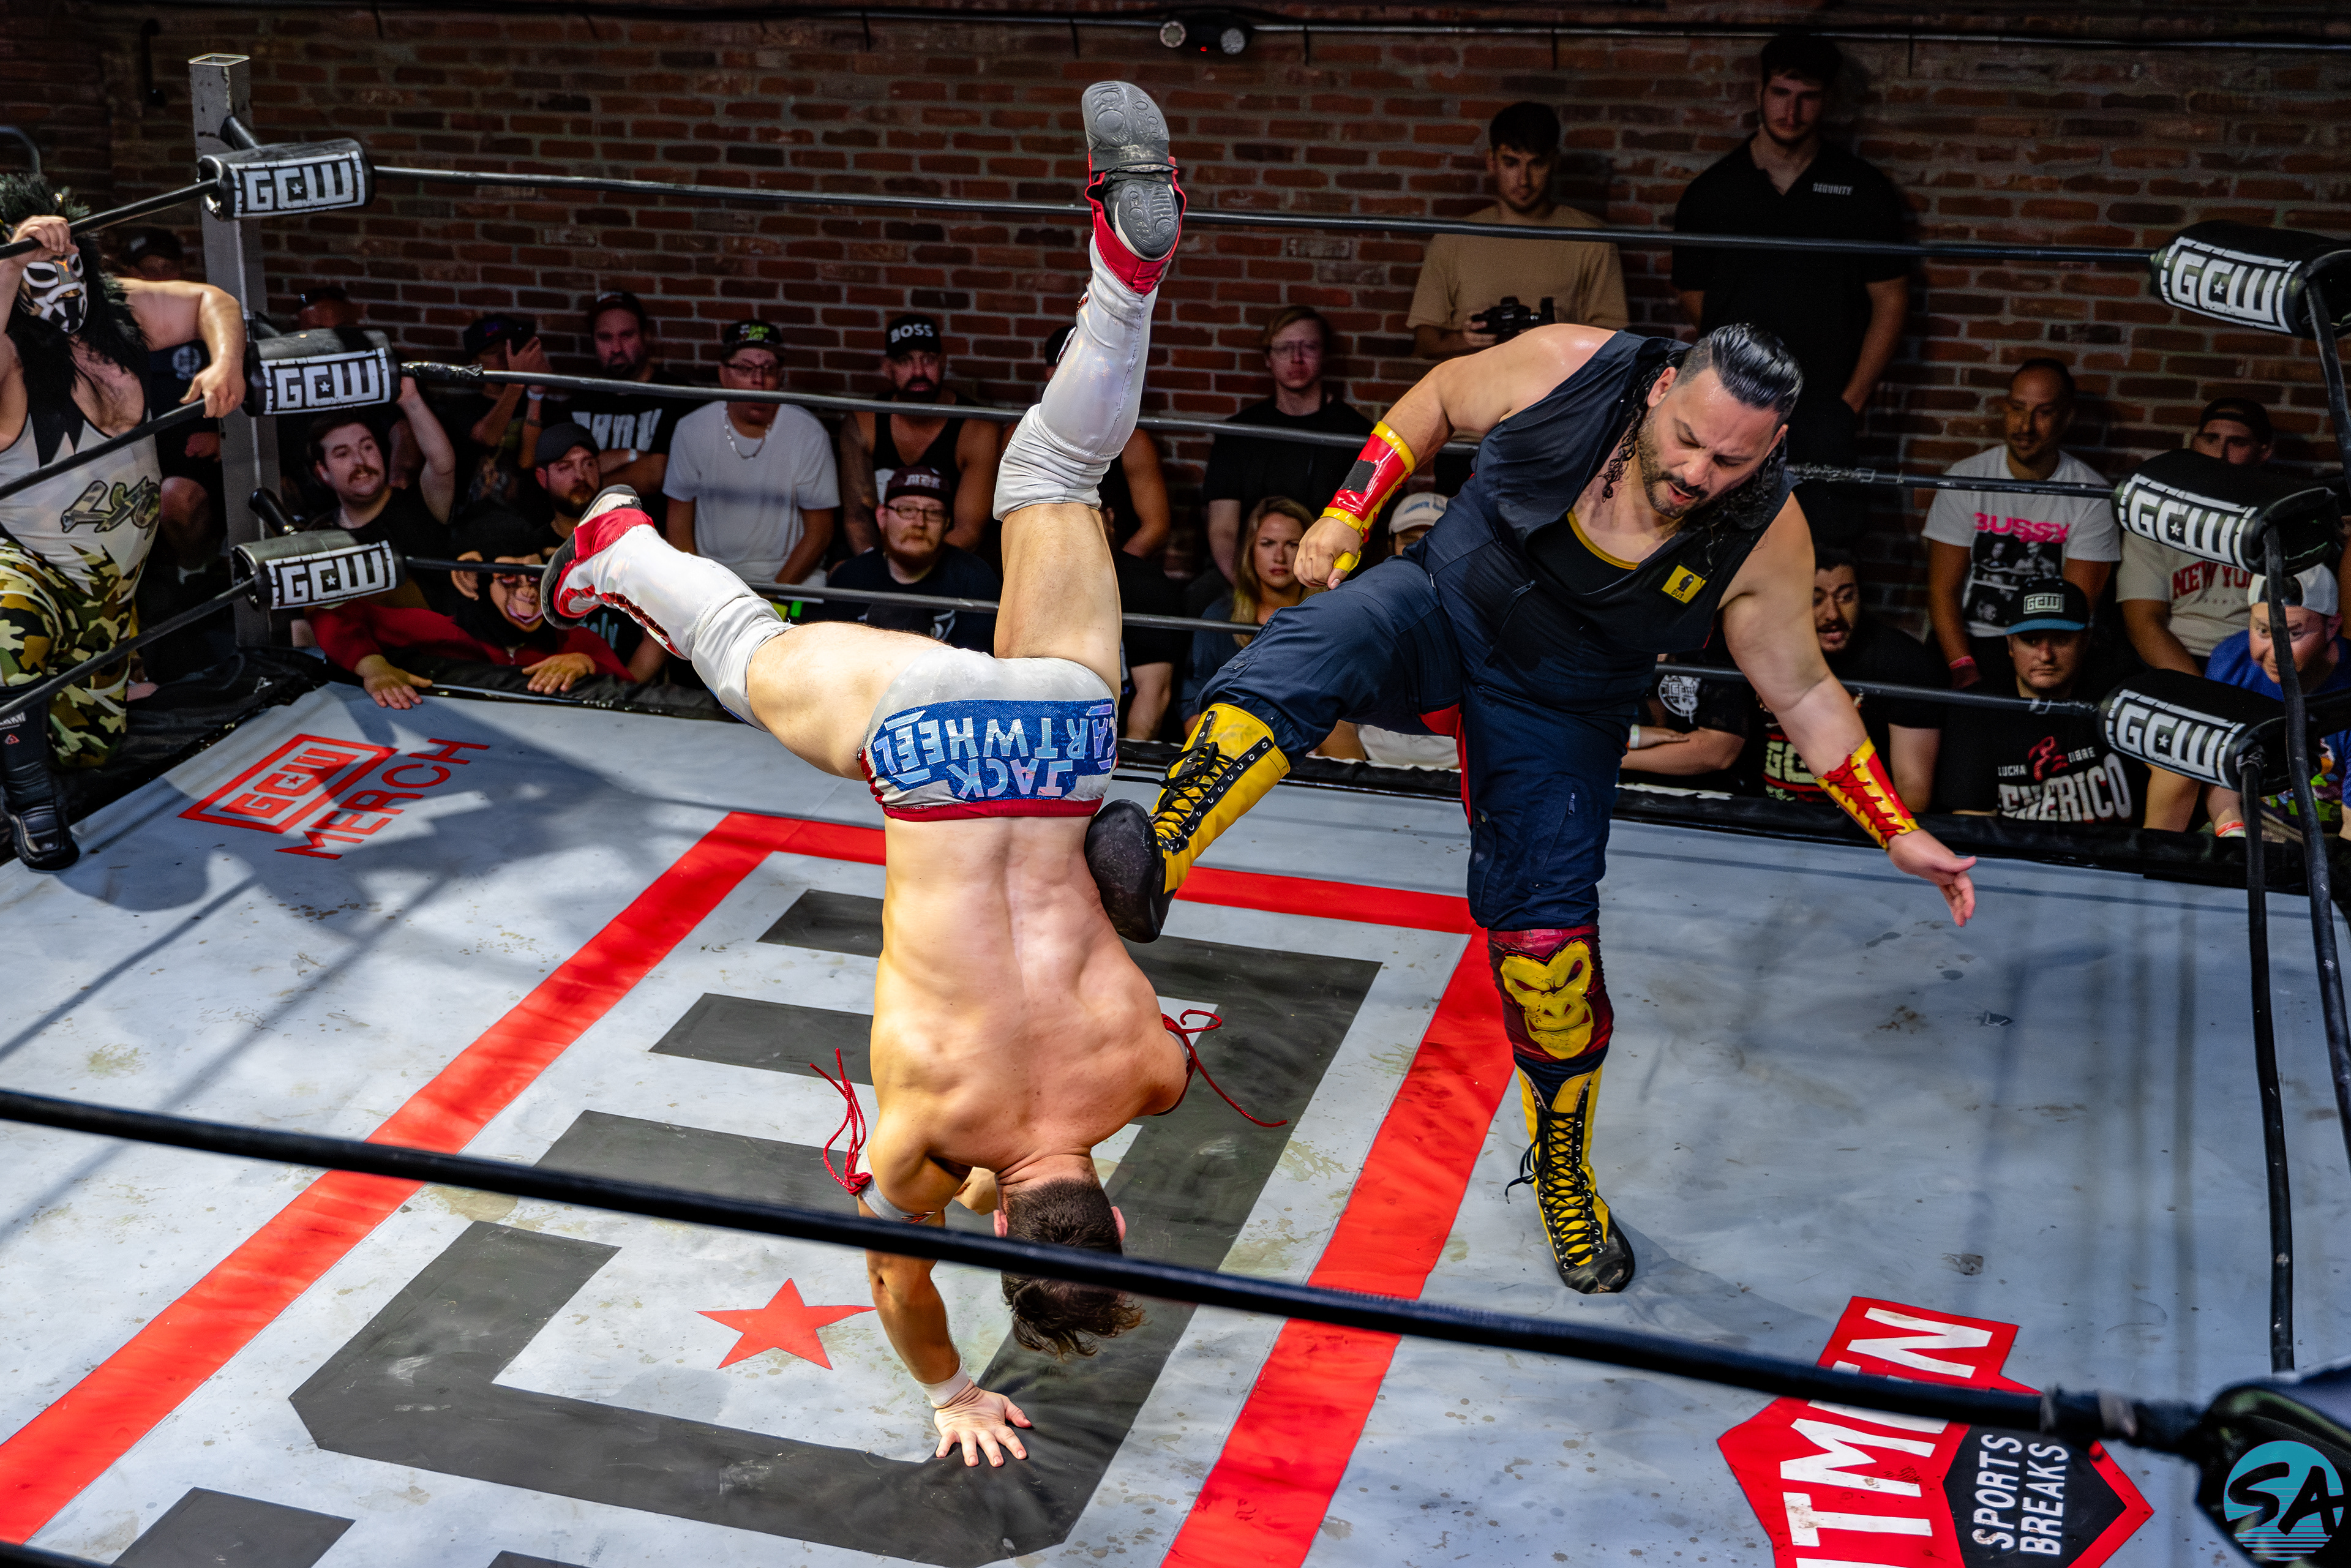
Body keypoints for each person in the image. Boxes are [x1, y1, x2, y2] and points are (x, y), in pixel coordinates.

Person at [544, 82, 1220, 1467]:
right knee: (741, 647)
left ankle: (1123, 277)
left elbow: (1117, 912)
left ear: (1116, 1214)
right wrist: (949, 1388)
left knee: (1056, 464)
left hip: (1061, 739)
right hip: (934, 752)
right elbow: (897, 1275)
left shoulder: (1151, 1076)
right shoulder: (925, 1141)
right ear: (999, 1224)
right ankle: (616, 543)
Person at [1087, 320, 1979, 1297]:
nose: (1697, 472)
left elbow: (1802, 690)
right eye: (1687, 438)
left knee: (1551, 958)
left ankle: (1563, 1173)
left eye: (1731, 460)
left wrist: (1895, 827)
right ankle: (1159, 852)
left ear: (1774, 446)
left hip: (1563, 707)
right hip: (1443, 605)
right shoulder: (1569, 368)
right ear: (1662, 389)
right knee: (1315, 643)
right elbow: (1438, 397)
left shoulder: (1765, 533)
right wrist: (1348, 510)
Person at [0, 174, 247, 869]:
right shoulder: (10, 358)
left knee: (89, 747)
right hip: (32, 566)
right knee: (5, 628)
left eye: (66, 260)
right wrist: (13, 257)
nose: (59, 280)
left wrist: (225, 363)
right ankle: (31, 804)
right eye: (37, 269)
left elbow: (212, 300)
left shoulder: (116, 313)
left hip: (110, 591)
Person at [1671, 34, 1911, 548]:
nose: (1792, 110)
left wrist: (1848, 404)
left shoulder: (1862, 190)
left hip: (1823, 407)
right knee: (1723, 548)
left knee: (1824, 553)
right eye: (1781, 92)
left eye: (1808, 97)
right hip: (1733, 405)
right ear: (1758, 91)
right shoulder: (1714, 191)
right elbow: (1693, 293)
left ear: (1829, 100)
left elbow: (1891, 301)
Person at [313, 505, 631, 710]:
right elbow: (329, 609)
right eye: (509, 578)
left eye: (535, 578)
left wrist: (588, 665)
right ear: (470, 579)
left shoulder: (575, 642)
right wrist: (373, 668)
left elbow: (638, 698)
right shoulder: (441, 632)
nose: (527, 592)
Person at [1922, 359, 2118, 687]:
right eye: (2017, 408)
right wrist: (1962, 666)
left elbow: (2077, 607)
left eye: (2044, 412)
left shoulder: (2092, 496)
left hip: (2043, 644)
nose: (2025, 426)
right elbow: (1943, 591)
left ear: (2067, 417)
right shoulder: (1966, 478)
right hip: (1973, 639)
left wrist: (2040, 667)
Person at [1408, 101, 1629, 361]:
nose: (1523, 180)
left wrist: (1556, 337)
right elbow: (1424, 345)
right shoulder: (1453, 239)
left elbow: (1614, 345)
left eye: (1537, 164)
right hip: (1475, 383)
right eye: (1511, 163)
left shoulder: (1592, 239)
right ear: (1492, 162)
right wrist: (1467, 339)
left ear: (1554, 163)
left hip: (1555, 383)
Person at [1198, 307, 1375, 604]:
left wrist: (1322, 595)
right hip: (1251, 578)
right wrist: (1253, 592)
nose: (1297, 358)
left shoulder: (1356, 435)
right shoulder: (1239, 433)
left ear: (1324, 354)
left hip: (1329, 583)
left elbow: (1366, 529)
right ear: (1268, 358)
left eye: (1309, 347)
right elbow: (1223, 530)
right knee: (1202, 599)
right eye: (1284, 348)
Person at [1932, 578, 2142, 825]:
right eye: (2031, 640)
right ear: (2010, 644)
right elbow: (1973, 822)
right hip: (2014, 851)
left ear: (2085, 641)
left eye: (2060, 639)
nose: (2045, 655)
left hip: (2112, 848)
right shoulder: (1979, 708)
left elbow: (2170, 780)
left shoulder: (2123, 695)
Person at [1747, 548, 1945, 809]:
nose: (1833, 614)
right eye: (1815, 599)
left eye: (1846, 597)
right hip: (1768, 816)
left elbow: (1913, 790)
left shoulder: (1902, 660)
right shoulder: (1761, 650)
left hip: (1860, 825)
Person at [662, 320, 838, 590]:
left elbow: (820, 532)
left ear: (781, 376)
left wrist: (773, 596)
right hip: (714, 580)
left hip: (790, 581)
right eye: (746, 369)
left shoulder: (808, 432)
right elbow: (678, 529)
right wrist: (702, 590)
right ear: (724, 374)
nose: (759, 381)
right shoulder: (692, 429)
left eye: (769, 369)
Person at [2119, 397, 2273, 678]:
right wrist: (2198, 691)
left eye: (2237, 443)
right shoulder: (2154, 516)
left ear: (2264, 452)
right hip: (2177, 655)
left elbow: (2297, 624)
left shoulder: (2280, 519)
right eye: (2211, 439)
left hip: (2256, 660)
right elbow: (2143, 622)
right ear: (2194, 443)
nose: (2220, 454)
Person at [2199, 567, 2351, 841]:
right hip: (2253, 824)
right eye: (2263, 631)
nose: (2275, 653)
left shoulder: (2346, 693)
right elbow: (2220, 779)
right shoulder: (2231, 663)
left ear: (2331, 627)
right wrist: (2235, 839)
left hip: (2331, 840)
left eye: (2293, 634)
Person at [838, 313, 1003, 554]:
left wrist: (911, 567)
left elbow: (968, 532)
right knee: (841, 569)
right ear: (888, 368)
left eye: (929, 360)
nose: (918, 372)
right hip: (878, 557)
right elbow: (857, 519)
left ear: (943, 362)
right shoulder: (864, 423)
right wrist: (880, 569)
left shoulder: (976, 428)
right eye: (905, 361)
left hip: (947, 559)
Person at [817, 465, 999, 652]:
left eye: (934, 513)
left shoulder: (975, 579)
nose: (920, 523)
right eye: (907, 509)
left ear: (946, 523)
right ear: (883, 517)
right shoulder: (850, 577)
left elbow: (978, 663)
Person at [305, 381, 459, 602]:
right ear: (323, 472)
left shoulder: (420, 503)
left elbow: (442, 464)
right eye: (343, 454)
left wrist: (410, 399)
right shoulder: (319, 535)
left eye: (367, 447)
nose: (360, 461)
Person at [526, 290, 676, 500]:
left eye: (627, 335)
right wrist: (630, 455)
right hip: (590, 521)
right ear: (593, 341)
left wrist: (583, 489)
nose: (617, 348)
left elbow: (655, 474)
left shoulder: (674, 396)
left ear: (645, 335)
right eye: (605, 338)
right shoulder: (580, 403)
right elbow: (546, 471)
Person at [1182, 497, 1313, 722]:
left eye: (1293, 545)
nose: (1280, 557)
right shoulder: (1220, 617)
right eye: (1267, 544)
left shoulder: (1327, 618)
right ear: (1250, 550)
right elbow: (1193, 704)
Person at [1619, 653, 1754, 792]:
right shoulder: (1613, 650)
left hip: (1702, 792)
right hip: (1618, 785)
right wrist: (1634, 738)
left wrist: (1616, 754)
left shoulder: (1714, 653)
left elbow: (1717, 752)